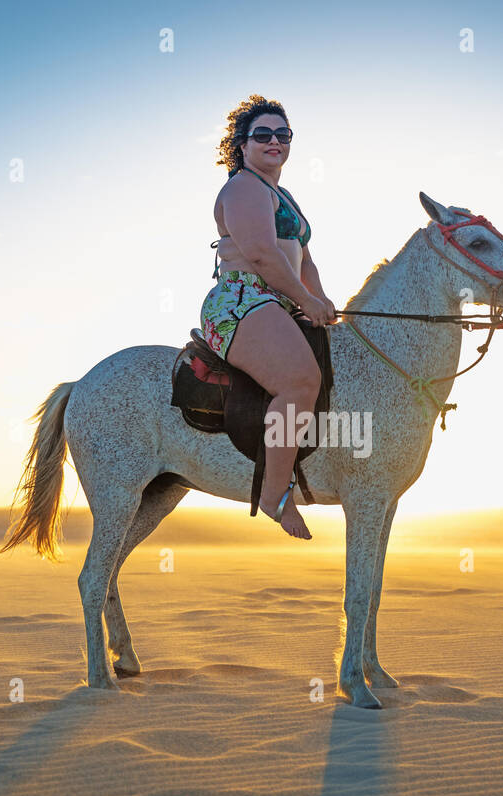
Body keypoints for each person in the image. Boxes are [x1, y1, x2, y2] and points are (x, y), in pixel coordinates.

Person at [202, 95, 336, 539]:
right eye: (263, 134)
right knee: (300, 381)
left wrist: (321, 300)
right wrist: (304, 298)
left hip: (280, 299)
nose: (274, 141)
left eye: (283, 134)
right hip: (243, 299)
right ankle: (276, 495)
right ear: (242, 144)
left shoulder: (285, 196)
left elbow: (305, 260)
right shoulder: (243, 187)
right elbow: (261, 254)